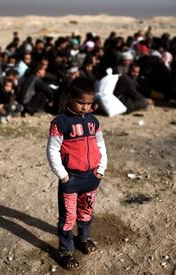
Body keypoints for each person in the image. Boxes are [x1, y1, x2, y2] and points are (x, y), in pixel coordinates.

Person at [46, 77, 107, 270]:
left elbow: (101, 145)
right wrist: (63, 175)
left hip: (91, 177)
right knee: (68, 217)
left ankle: (84, 237)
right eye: (81, 102)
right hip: (71, 179)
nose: (85, 107)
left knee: (86, 211)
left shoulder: (93, 121)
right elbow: (52, 150)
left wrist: (101, 169)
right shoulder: (60, 122)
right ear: (70, 98)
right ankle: (65, 250)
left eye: (89, 103)